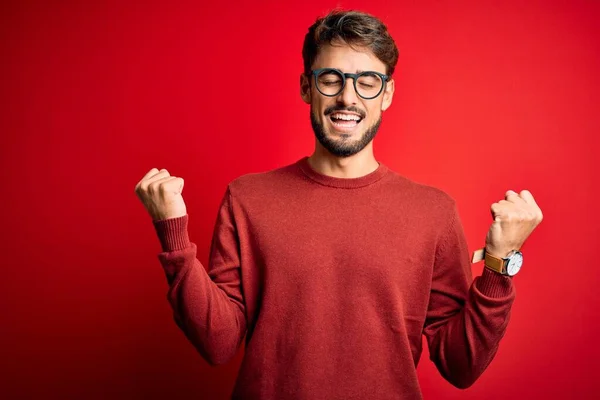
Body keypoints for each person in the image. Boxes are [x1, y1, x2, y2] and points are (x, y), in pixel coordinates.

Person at [134, 9, 543, 400]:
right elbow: (218, 343)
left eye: (367, 82)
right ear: (306, 87)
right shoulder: (247, 199)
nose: (348, 97)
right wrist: (174, 238)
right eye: (331, 78)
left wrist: (500, 261)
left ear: (387, 94)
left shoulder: (432, 212)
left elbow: (460, 366)